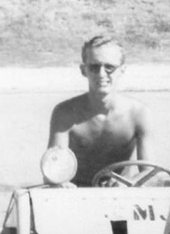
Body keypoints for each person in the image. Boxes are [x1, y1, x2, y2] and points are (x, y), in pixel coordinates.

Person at [48, 35, 153, 187]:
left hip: (120, 195)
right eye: (94, 67)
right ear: (83, 70)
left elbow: (150, 172)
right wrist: (59, 183)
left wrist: (128, 182)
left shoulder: (139, 114)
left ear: (122, 70)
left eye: (109, 67)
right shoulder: (65, 113)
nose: (102, 74)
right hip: (75, 195)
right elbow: (53, 168)